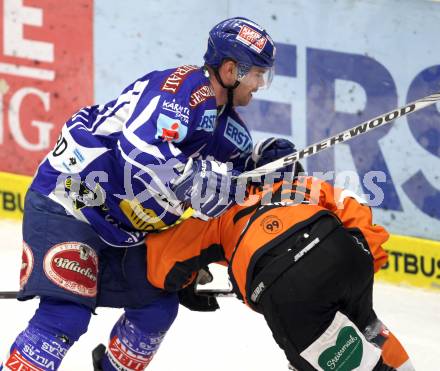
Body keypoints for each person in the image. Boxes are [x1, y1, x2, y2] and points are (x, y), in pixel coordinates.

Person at [1, 17, 294, 371]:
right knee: (65, 315)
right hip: (70, 201)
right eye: (256, 74)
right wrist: (191, 175)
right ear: (230, 70)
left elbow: (233, 182)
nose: (260, 84)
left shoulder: (229, 129)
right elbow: (136, 153)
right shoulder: (182, 90)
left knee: (156, 308)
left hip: (122, 230)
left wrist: (264, 167)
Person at [145, 176, 415, 371]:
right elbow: (351, 202)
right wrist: (363, 252)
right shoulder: (294, 185)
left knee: (325, 357)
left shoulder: (212, 216)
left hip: (289, 287)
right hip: (342, 252)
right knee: (366, 326)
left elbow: (160, 267)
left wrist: (186, 281)